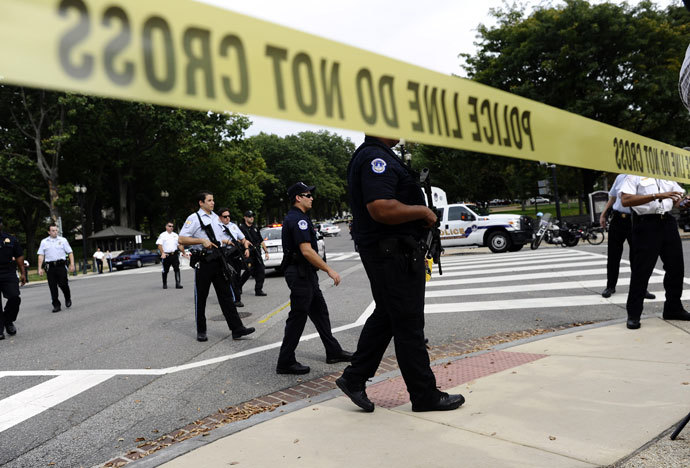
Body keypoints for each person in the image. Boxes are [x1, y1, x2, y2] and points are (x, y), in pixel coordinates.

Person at [336, 135, 464, 413]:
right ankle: (424, 395)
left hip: (391, 253)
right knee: (409, 325)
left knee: (387, 316)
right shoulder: (375, 159)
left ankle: (354, 377)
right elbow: (380, 207)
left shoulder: (377, 155)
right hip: (392, 255)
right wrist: (423, 212)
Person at [276, 182, 352, 375]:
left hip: (306, 273)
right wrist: (329, 270)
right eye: (307, 195)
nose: (311, 198)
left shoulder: (302, 217)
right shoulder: (297, 219)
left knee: (320, 312)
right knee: (298, 317)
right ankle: (285, 361)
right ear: (298, 198)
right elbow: (306, 251)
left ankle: (333, 351)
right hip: (299, 273)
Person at [178, 191, 255, 342]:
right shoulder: (194, 218)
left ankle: (237, 329)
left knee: (226, 296)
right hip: (204, 261)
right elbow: (181, 238)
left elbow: (221, 238)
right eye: (209, 200)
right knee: (201, 296)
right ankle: (201, 330)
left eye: (213, 200)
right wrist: (201, 241)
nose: (213, 203)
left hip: (219, 260)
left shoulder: (215, 218)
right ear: (201, 203)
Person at [620, 176, 690, 329]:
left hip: (668, 222)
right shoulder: (633, 176)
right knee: (642, 270)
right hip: (646, 224)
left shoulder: (668, 177)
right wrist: (656, 196)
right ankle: (634, 314)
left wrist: (684, 202)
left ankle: (673, 308)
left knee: (676, 268)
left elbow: (676, 201)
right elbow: (625, 200)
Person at [599, 174, 654, 301]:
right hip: (618, 219)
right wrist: (603, 214)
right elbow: (612, 198)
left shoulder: (644, 178)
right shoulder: (620, 177)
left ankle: (640, 288)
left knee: (637, 257)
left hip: (635, 219)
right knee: (613, 255)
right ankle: (610, 286)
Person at [37, 224, 75, 313]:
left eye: (56, 230)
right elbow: (41, 255)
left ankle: (67, 297)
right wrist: (39, 268)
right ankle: (56, 305)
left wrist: (72, 264)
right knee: (52, 286)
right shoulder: (44, 242)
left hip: (61, 265)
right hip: (50, 267)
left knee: (63, 284)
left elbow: (70, 252)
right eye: (53, 231)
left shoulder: (63, 240)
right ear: (49, 232)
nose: (55, 232)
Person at [217, 208, 251, 307]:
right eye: (225, 216)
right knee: (230, 276)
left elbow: (243, 238)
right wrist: (226, 241)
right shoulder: (217, 227)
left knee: (242, 273)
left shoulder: (233, 226)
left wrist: (246, 249)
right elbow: (215, 239)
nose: (227, 218)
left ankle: (236, 291)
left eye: (228, 216)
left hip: (236, 253)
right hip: (225, 253)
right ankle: (236, 299)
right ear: (220, 217)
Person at [0, 217, 26, 340]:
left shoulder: (10, 239)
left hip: (8, 272)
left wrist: (23, 273)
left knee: (14, 297)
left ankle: (8, 320)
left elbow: (19, 256)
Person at [239, 210, 269, 297]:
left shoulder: (255, 228)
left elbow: (261, 241)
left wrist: (266, 251)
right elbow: (238, 240)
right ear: (245, 217)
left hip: (257, 253)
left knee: (261, 271)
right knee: (248, 271)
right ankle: (239, 286)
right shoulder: (241, 228)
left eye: (252, 216)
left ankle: (258, 290)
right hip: (248, 253)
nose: (252, 218)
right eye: (249, 216)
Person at [156, 221, 186, 289]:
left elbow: (179, 245)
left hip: (174, 255)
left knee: (177, 269)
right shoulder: (162, 235)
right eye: (169, 226)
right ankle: (164, 283)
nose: (171, 227)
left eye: (172, 226)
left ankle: (178, 284)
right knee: (165, 271)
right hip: (166, 255)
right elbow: (159, 245)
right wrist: (162, 253)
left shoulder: (175, 235)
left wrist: (184, 253)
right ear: (166, 227)